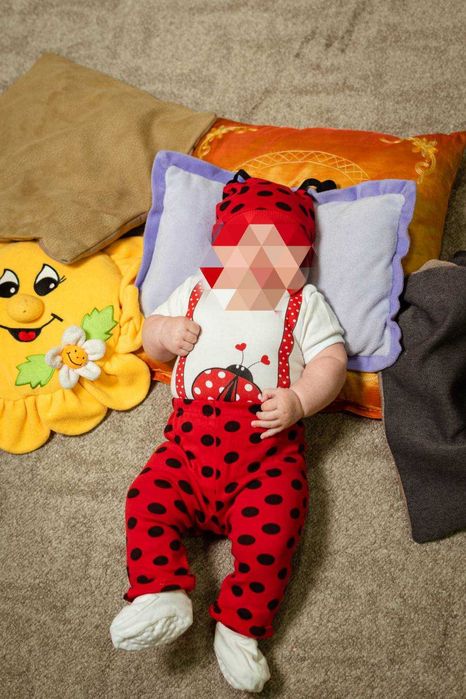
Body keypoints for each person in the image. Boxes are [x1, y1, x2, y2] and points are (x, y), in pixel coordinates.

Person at [110, 172, 348, 693]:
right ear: (222, 245)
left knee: (277, 531)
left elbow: (331, 361)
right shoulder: (198, 289)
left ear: (301, 258)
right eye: (247, 245)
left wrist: (300, 400)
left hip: (266, 453)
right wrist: (165, 333)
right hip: (188, 447)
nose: (262, 261)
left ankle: (241, 625)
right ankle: (160, 590)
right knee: (146, 499)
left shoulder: (303, 303)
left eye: (280, 250)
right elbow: (150, 333)